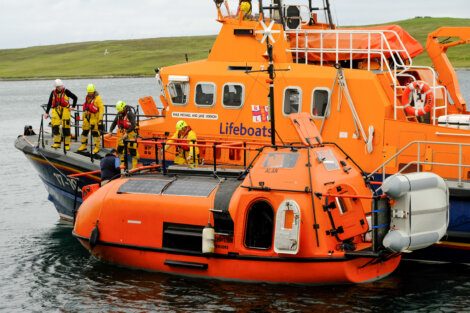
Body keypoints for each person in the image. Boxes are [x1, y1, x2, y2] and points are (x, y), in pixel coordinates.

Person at [44, 79, 78, 150]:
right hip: (56, 111)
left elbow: (75, 98)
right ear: (56, 87)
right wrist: (46, 113)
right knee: (55, 127)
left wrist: (73, 107)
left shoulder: (66, 91)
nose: (61, 87)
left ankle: (67, 144)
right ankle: (57, 143)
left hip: (65, 111)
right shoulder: (53, 93)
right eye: (59, 86)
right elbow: (50, 102)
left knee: (66, 128)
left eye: (61, 86)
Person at [109, 101, 139, 169]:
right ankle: (121, 166)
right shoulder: (119, 114)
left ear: (124, 108)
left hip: (131, 133)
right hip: (122, 134)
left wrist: (127, 132)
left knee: (133, 151)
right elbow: (114, 122)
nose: (119, 112)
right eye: (119, 111)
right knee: (119, 150)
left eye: (121, 110)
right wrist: (110, 131)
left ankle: (135, 167)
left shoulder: (130, 114)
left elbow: (133, 125)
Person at [77, 84, 104, 154]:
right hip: (87, 118)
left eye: (91, 92)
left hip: (94, 119)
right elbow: (86, 107)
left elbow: (101, 109)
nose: (90, 93)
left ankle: (97, 147)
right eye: (89, 92)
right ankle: (83, 145)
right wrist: (83, 117)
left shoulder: (98, 98)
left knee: (95, 133)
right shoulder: (87, 97)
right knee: (84, 132)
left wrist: (100, 119)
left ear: (94, 91)